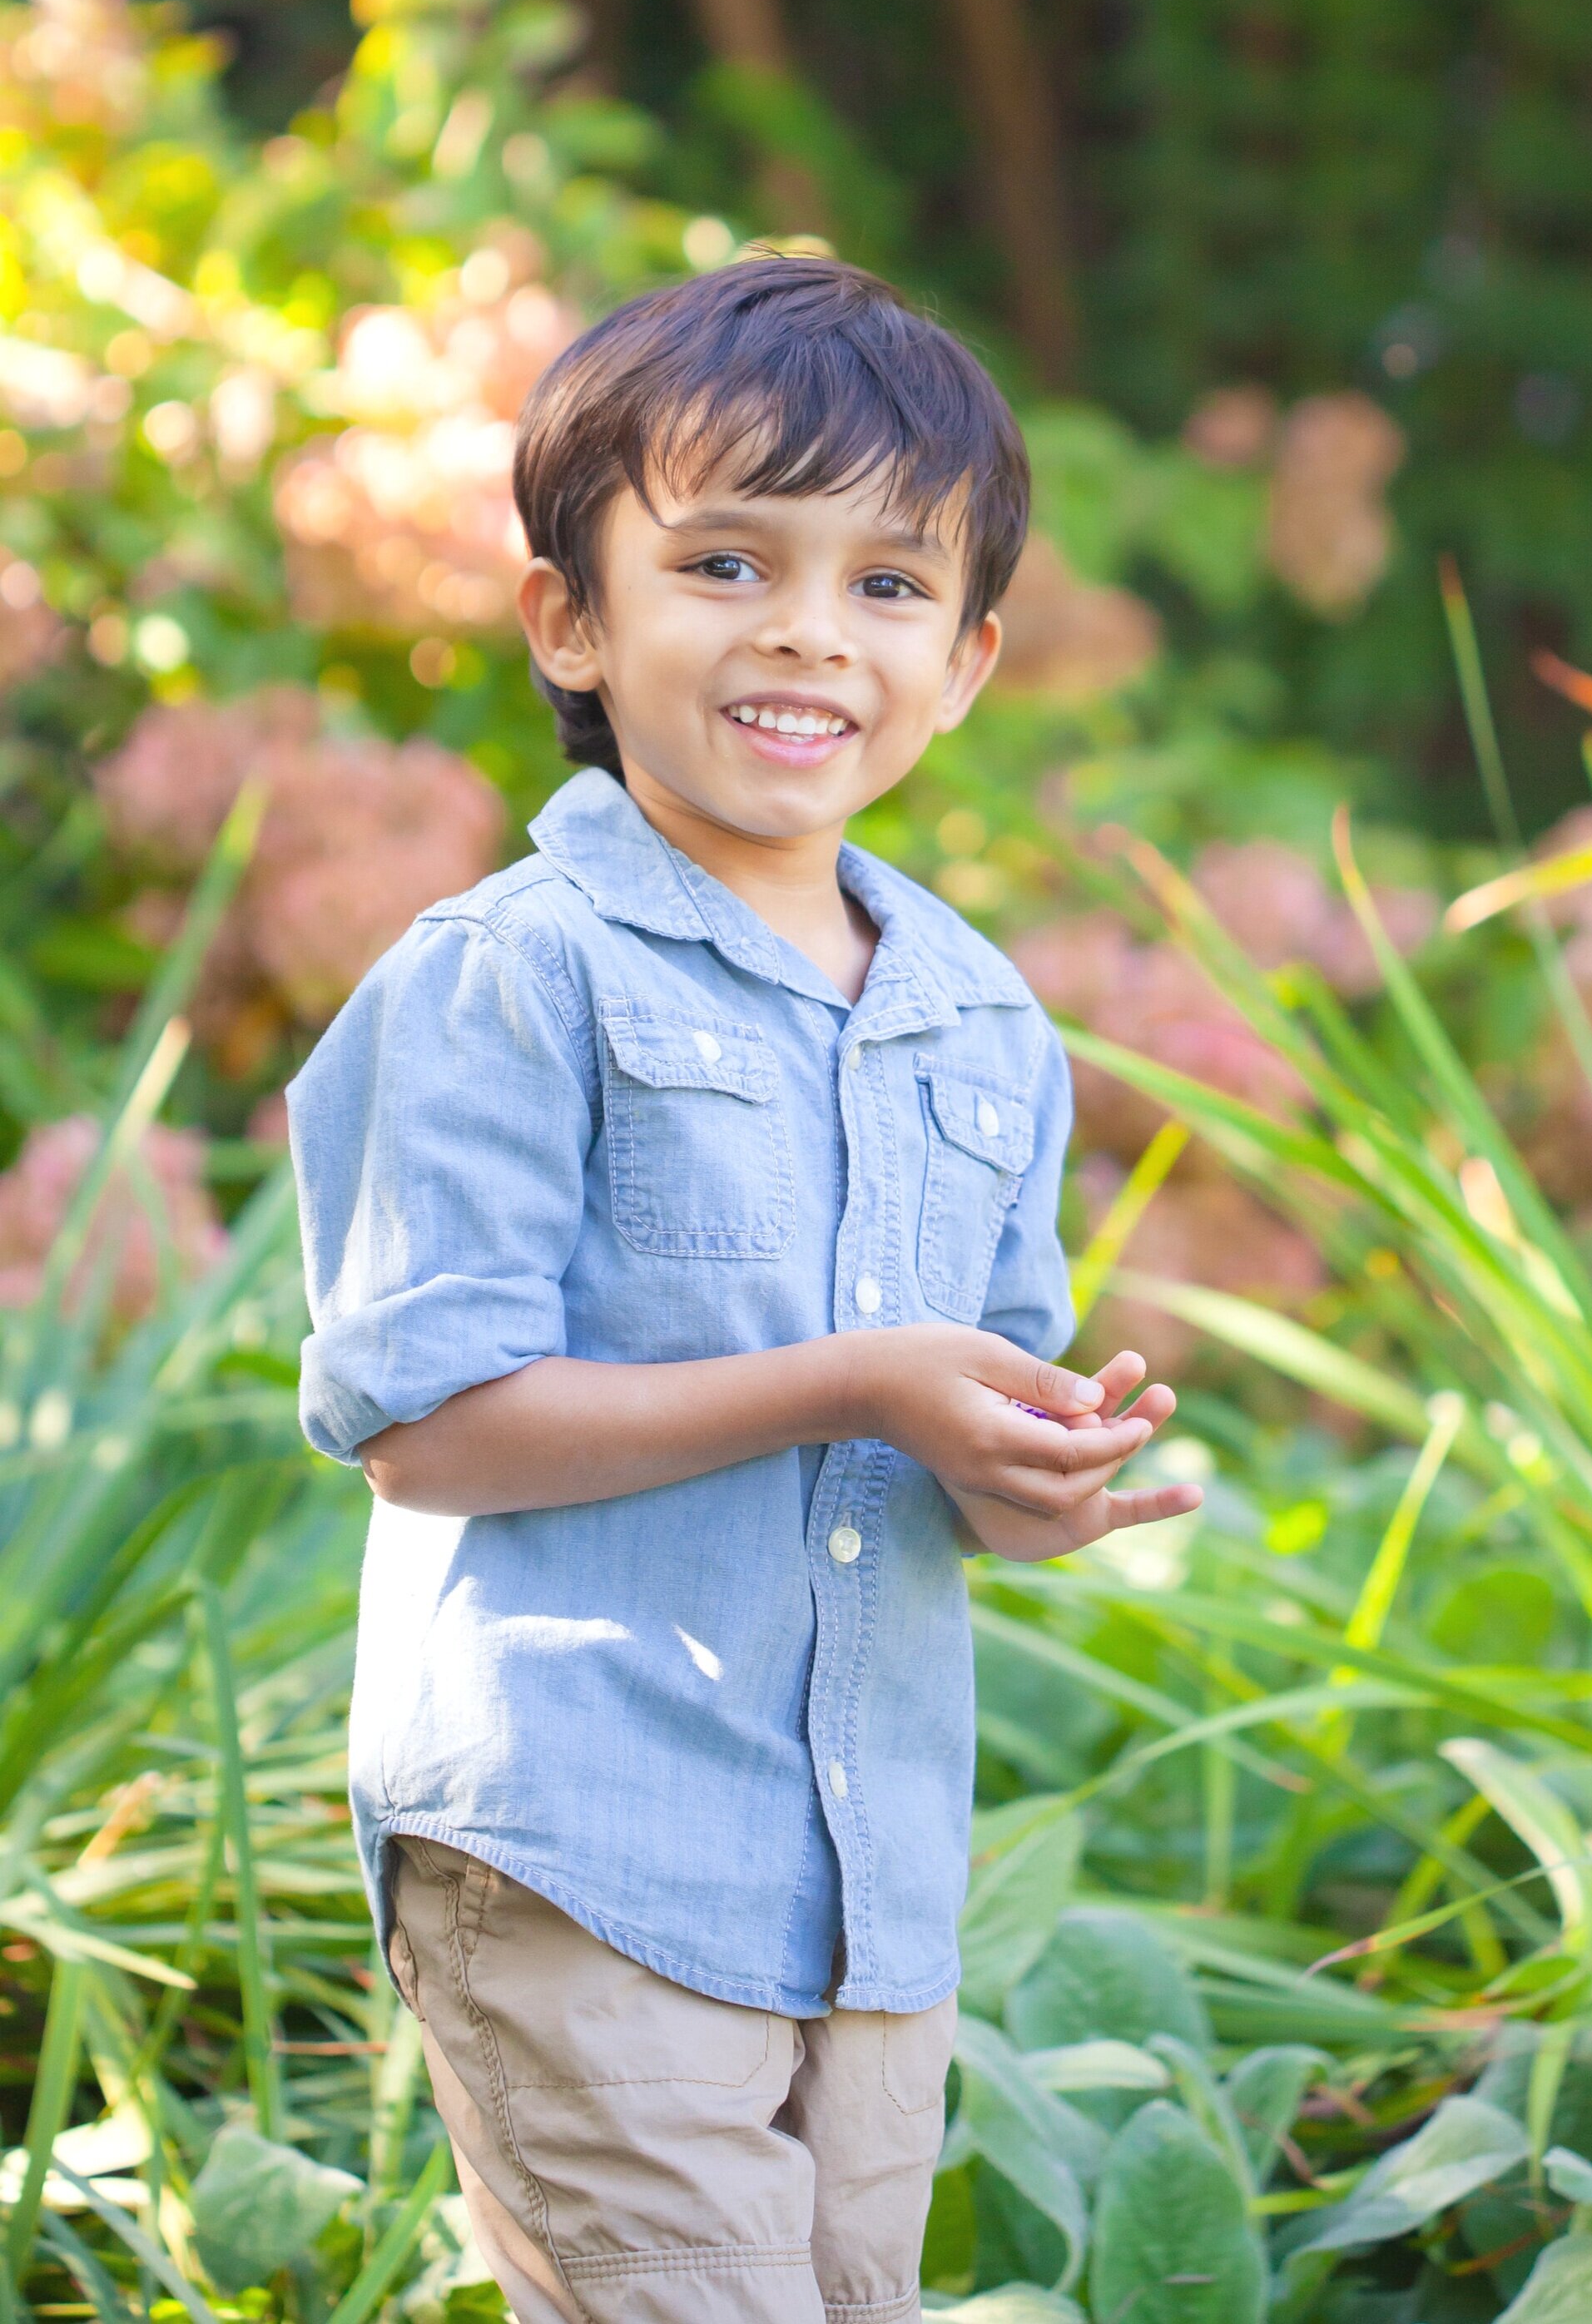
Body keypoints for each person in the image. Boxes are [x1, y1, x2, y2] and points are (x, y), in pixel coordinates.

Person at [289, 255, 1199, 2324]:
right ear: (572, 619)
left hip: (871, 1886)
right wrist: (856, 1381)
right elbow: (426, 1425)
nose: (808, 629)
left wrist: (1031, 1477)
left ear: (966, 662)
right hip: (581, 1846)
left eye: (887, 585)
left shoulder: (983, 1024)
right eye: (724, 560)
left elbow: (959, 1409)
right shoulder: (506, 977)